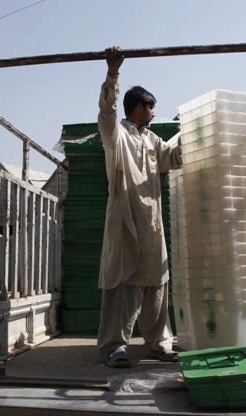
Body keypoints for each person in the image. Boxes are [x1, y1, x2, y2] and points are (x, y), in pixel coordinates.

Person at [97, 46, 182, 368]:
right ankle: (114, 347)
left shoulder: (152, 140)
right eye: (150, 108)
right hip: (125, 217)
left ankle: (159, 343)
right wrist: (113, 75)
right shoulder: (116, 135)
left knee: (156, 282)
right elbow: (106, 112)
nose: (153, 113)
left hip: (152, 221)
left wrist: (193, 131)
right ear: (137, 108)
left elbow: (173, 159)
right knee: (122, 284)